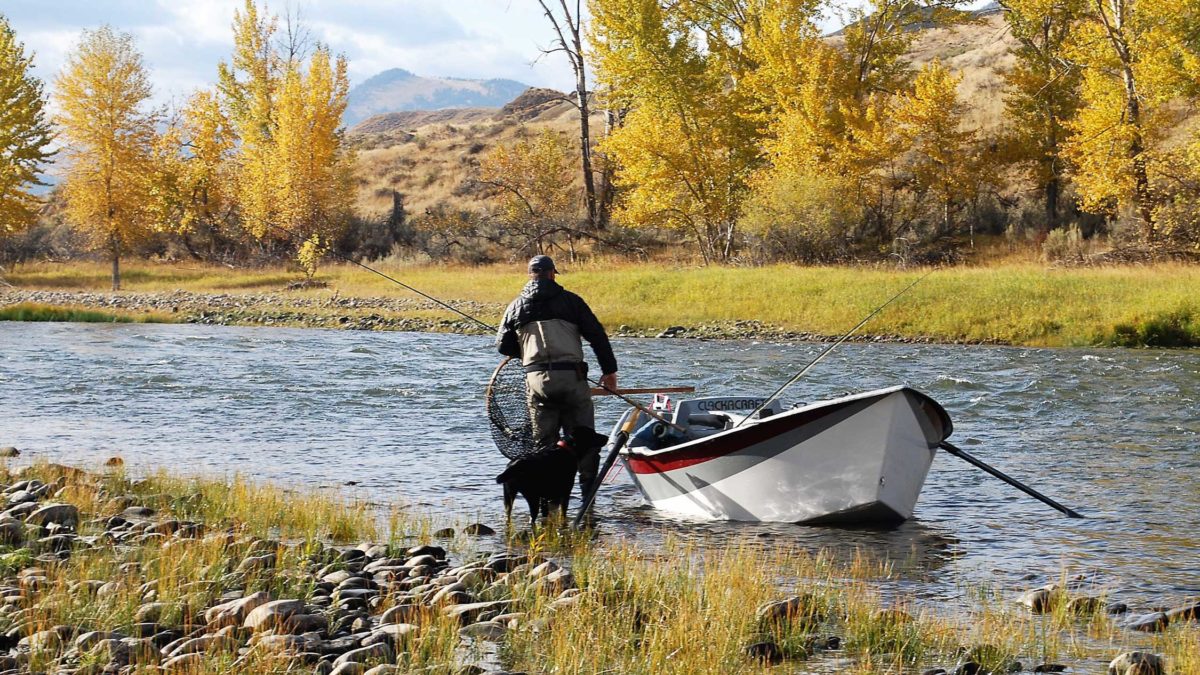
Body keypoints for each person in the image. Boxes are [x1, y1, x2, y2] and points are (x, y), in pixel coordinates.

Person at [496, 254, 618, 500]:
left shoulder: (515, 306)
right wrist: (609, 371)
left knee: (544, 445)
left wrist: (526, 350)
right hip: (572, 379)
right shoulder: (572, 302)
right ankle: (587, 495)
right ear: (552, 273)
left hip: (536, 380)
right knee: (585, 438)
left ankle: (547, 504)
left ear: (531, 274)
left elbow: (502, 346)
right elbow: (597, 336)